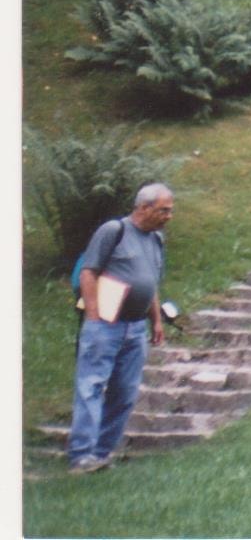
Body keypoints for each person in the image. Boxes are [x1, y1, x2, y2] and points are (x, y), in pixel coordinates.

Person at [67, 183, 174, 474]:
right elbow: (89, 272)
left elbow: (150, 282)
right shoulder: (114, 231)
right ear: (143, 207)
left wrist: (156, 319)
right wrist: (93, 315)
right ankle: (81, 455)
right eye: (164, 210)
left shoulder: (156, 241)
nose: (168, 216)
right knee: (92, 385)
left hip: (135, 328)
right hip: (105, 324)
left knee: (125, 392)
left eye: (170, 211)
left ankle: (101, 454)